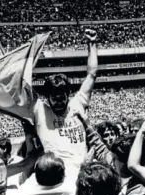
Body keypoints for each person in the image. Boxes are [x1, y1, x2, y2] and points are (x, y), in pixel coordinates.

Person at [33, 28, 98, 177]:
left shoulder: (78, 103)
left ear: (68, 94)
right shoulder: (40, 110)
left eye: (62, 97)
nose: (59, 102)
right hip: (57, 175)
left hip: (84, 173)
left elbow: (92, 75)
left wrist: (92, 43)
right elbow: (23, 84)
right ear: (47, 98)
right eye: (54, 98)